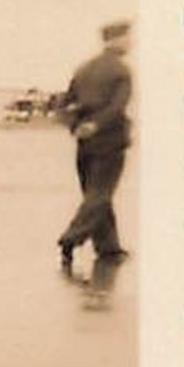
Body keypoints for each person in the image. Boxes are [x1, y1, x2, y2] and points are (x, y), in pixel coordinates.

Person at [56, 20, 132, 269]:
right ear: (115, 40)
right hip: (109, 140)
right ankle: (70, 238)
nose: (131, 42)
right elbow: (117, 107)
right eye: (127, 38)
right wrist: (97, 125)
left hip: (84, 142)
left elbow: (64, 104)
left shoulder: (84, 69)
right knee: (100, 194)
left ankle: (109, 248)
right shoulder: (121, 70)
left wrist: (75, 126)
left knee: (96, 193)